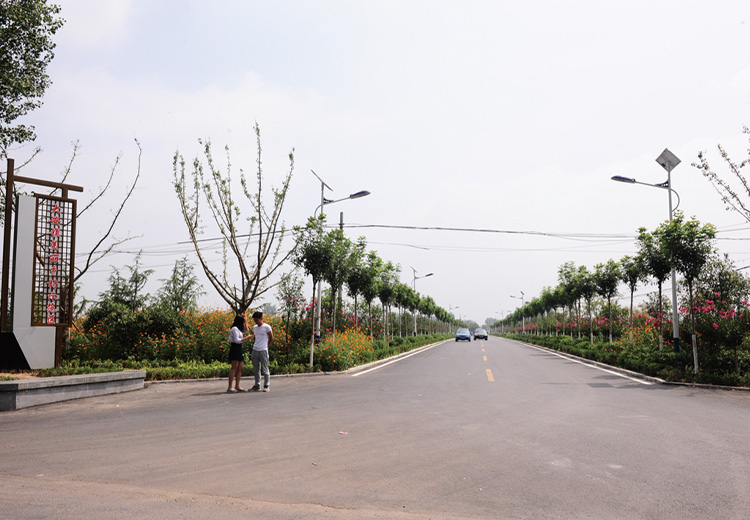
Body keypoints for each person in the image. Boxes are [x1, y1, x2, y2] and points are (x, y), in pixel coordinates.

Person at [227, 314, 251, 393]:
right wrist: (246, 338)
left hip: (239, 348)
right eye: (242, 321)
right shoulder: (234, 329)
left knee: (240, 368)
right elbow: (237, 340)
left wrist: (246, 323)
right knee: (234, 368)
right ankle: (230, 387)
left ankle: (237, 385)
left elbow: (246, 331)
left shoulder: (239, 329)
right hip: (235, 347)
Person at [250, 311, 273, 392]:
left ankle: (266, 385)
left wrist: (267, 345)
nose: (255, 321)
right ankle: (257, 385)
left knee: (265, 368)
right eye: (254, 320)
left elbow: (271, 337)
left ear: (261, 318)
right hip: (255, 349)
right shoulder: (255, 327)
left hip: (263, 350)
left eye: (257, 319)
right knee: (256, 369)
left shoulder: (267, 327)